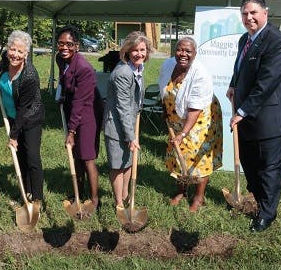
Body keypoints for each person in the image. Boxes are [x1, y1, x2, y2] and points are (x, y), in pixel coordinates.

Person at [227, 0, 281, 232]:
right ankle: (258, 199)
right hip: (249, 116)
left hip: (272, 119)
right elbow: (240, 68)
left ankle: (267, 214)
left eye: (254, 13)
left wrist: (242, 110)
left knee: (269, 168)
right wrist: (233, 85)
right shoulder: (244, 40)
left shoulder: (277, 41)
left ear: (265, 13)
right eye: (245, 14)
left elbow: (266, 83)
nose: (249, 18)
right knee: (250, 163)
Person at [159, 37, 223, 212]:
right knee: (178, 154)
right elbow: (164, 89)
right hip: (176, 115)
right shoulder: (168, 65)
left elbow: (195, 110)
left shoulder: (200, 74)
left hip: (201, 117)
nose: (183, 54)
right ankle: (181, 191)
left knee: (198, 157)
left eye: (188, 51)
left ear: (195, 54)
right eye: (180, 50)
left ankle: (198, 197)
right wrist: (164, 108)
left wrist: (183, 133)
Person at [0, 30, 44, 206]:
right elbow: (0, 65)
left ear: (26, 54)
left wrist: (13, 136)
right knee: (20, 156)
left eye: (20, 52)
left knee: (32, 157)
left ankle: (37, 198)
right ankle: (25, 191)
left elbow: (23, 109)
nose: (15, 54)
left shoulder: (29, 75)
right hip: (13, 116)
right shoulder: (8, 58)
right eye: (12, 49)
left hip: (30, 118)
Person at [55, 25, 103, 211]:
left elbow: (80, 102)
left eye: (69, 44)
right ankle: (78, 193)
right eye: (61, 43)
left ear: (77, 46)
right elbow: (65, 81)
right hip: (73, 109)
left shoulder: (85, 69)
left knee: (87, 157)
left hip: (88, 112)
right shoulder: (61, 59)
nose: (64, 47)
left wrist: (72, 130)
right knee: (76, 156)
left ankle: (94, 200)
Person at [103, 31, 152, 210]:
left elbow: (135, 99)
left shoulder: (138, 68)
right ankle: (118, 204)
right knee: (118, 165)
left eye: (143, 49)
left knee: (129, 162)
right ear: (127, 51)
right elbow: (122, 107)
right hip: (116, 125)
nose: (140, 54)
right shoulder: (123, 72)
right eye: (135, 50)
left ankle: (125, 196)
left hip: (131, 121)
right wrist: (131, 137)